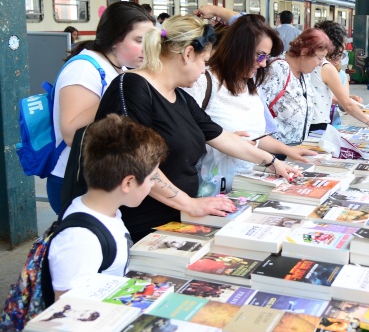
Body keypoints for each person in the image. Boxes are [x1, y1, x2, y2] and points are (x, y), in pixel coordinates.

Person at [94, 16, 301, 242]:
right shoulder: (132, 87)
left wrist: (273, 162)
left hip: (177, 214)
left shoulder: (180, 97)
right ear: (188, 53)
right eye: (204, 61)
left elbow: (222, 138)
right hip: (141, 220)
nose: (205, 71)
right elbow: (137, 161)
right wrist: (189, 203)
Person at [48, 2, 155, 215]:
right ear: (115, 39)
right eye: (139, 41)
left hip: (102, 176)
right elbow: (71, 134)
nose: (148, 49)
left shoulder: (119, 66)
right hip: (75, 179)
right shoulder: (83, 68)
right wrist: (119, 92)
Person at [48, 114, 168, 300]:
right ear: (128, 182)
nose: (153, 185)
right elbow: (66, 311)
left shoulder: (106, 212)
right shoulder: (80, 239)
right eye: (152, 178)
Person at [182, 12, 317, 174]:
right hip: (211, 185)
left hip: (245, 182)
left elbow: (255, 136)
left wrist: (288, 151)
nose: (263, 63)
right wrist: (223, 141)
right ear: (238, 49)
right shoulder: (202, 82)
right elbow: (184, 138)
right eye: (260, 55)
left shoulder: (250, 84)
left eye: (266, 57)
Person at [260, 28, 333, 145]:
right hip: (275, 149)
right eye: (319, 58)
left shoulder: (305, 73)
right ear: (304, 52)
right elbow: (259, 107)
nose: (320, 63)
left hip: (296, 147)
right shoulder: (279, 69)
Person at [308, 20, 369, 132]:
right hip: (316, 123)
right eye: (340, 52)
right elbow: (347, 105)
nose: (340, 57)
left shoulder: (307, 61)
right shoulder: (325, 67)